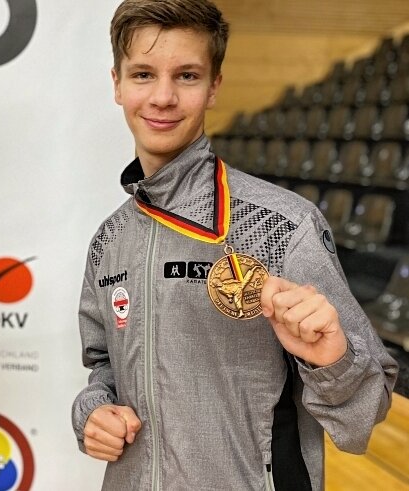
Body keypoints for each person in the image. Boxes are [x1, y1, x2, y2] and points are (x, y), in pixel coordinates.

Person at [71, 1, 398, 489]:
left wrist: (331, 360)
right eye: (143, 74)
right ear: (117, 84)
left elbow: (362, 417)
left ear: (214, 87)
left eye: (186, 75)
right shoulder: (110, 241)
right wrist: (93, 411)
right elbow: (103, 366)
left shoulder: (283, 225)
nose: (162, 97)